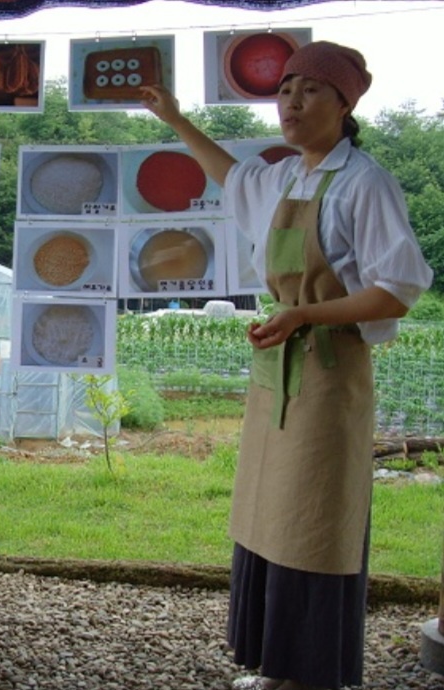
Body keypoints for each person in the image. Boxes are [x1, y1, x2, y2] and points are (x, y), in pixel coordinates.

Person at [139, 41, 433, 690]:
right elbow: (231, 175)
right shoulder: (287, 177)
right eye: (284, 90)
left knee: (315, 518)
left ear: (345, 104)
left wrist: (303, 316)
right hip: (277, 370)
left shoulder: (364, 182)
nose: (291, 103)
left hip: (330, 373)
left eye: (310, 90)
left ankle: (309, 674)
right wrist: (176, 119)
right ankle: (277, 666)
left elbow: (399, 288)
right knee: (268, 512)